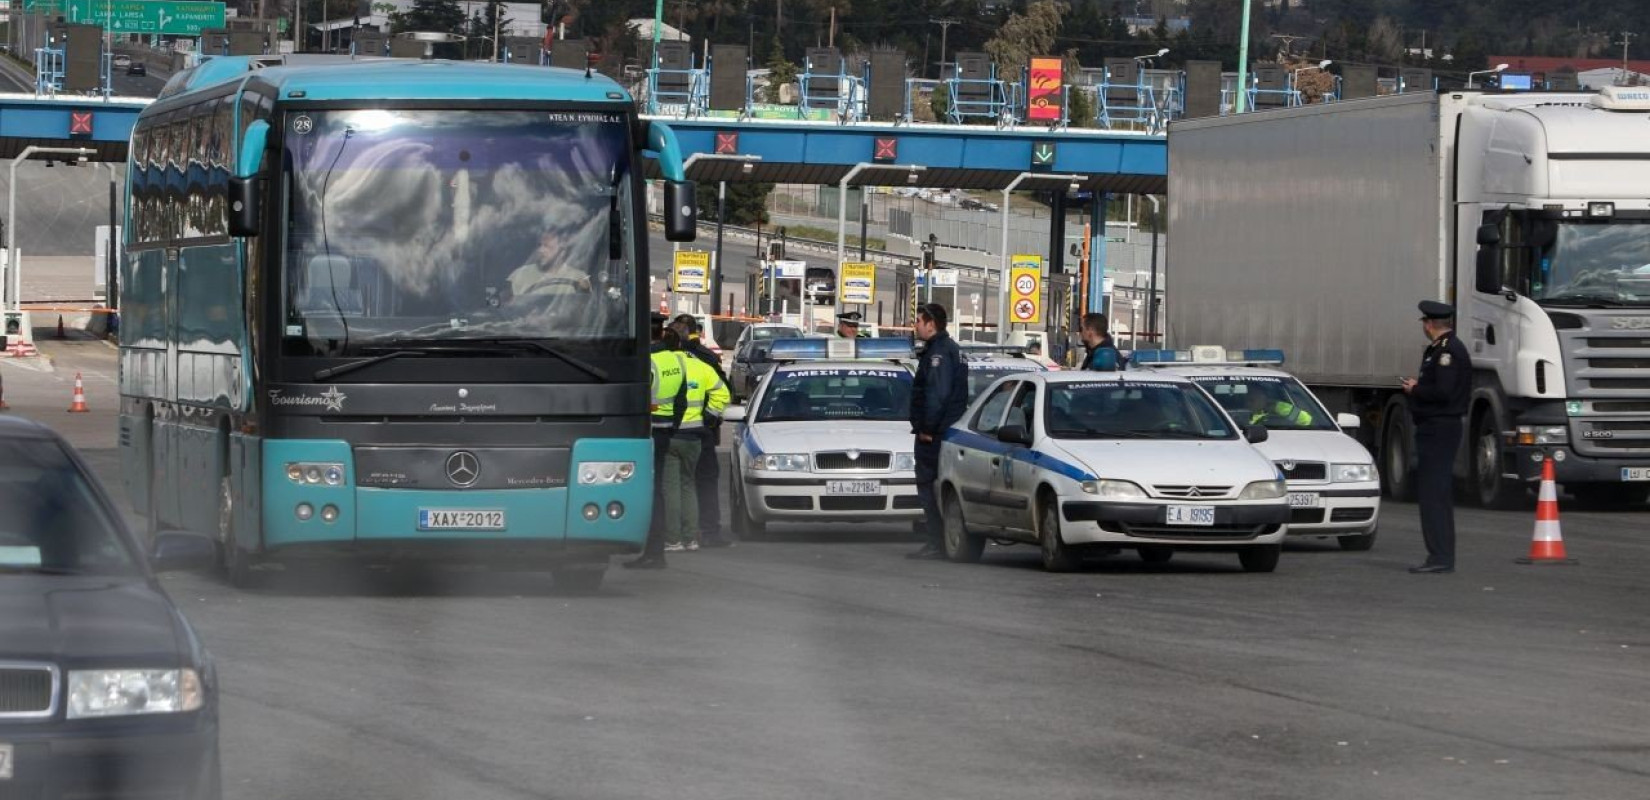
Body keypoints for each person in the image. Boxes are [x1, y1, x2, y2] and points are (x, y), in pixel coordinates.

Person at [1402, 300, 1472, 575]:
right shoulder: (1442, 348)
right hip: (1438, 427)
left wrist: (1416, 389)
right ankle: (1440, 555)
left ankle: (1440, 556)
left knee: (1434, 494)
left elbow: (1443, 392)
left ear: (1429, 324)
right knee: (1435, 493)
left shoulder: (1447, 351)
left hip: (1439, 428)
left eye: (1424, 322)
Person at [623, 314, 688, 570]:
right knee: (656, 490)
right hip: (665, 432)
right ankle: (655, 550)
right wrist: (673, 427)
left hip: (645, 432)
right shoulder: (676, 360)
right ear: (661, 333)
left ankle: (649, 550)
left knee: (644, 492)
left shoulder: (644, 361)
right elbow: (681, 401)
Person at [906, 303, 969, 560]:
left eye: (919, 321)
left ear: (931, 324)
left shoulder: (939, 354)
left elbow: (936, 395)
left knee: (929, 486)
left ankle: (936, 542)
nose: (915, 326)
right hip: (945, 432)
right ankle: (943, 541)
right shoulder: (947, 349)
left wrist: (927, 429)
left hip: (935, 436)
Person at [669, 314, 735, 548]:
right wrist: (710, 417)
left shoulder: (662, 358)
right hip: (702, 431)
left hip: (671, 431)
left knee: (674, 484)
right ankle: (708, 531)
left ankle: (677, 533)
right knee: (703, 482)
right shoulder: (705, 357)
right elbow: (724, 390)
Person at [505, 231, 592, 300]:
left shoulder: (579, 278)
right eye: (539, 245)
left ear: (562, 250)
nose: (541, 250)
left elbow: (583, 310)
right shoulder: (520, 276)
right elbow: (506, 309)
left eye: (548, 246)